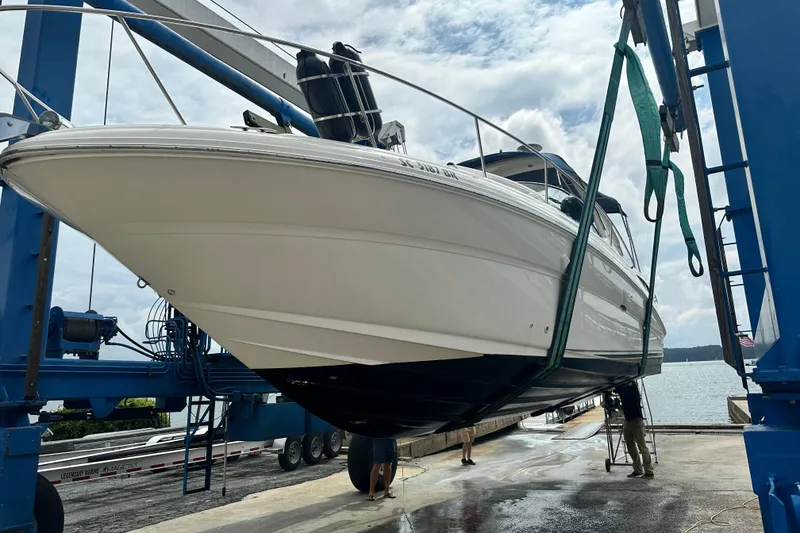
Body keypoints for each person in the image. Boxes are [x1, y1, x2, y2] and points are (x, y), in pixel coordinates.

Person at [615, 381, 654, 478]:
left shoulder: (633, 390)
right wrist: (616, 405)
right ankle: (637, 469)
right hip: (628, 420)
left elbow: (620, 390)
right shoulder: (625, 391)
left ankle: (649, 471)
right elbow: (625, 405)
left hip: (636, 421)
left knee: (642, 446)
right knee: (630, 445)